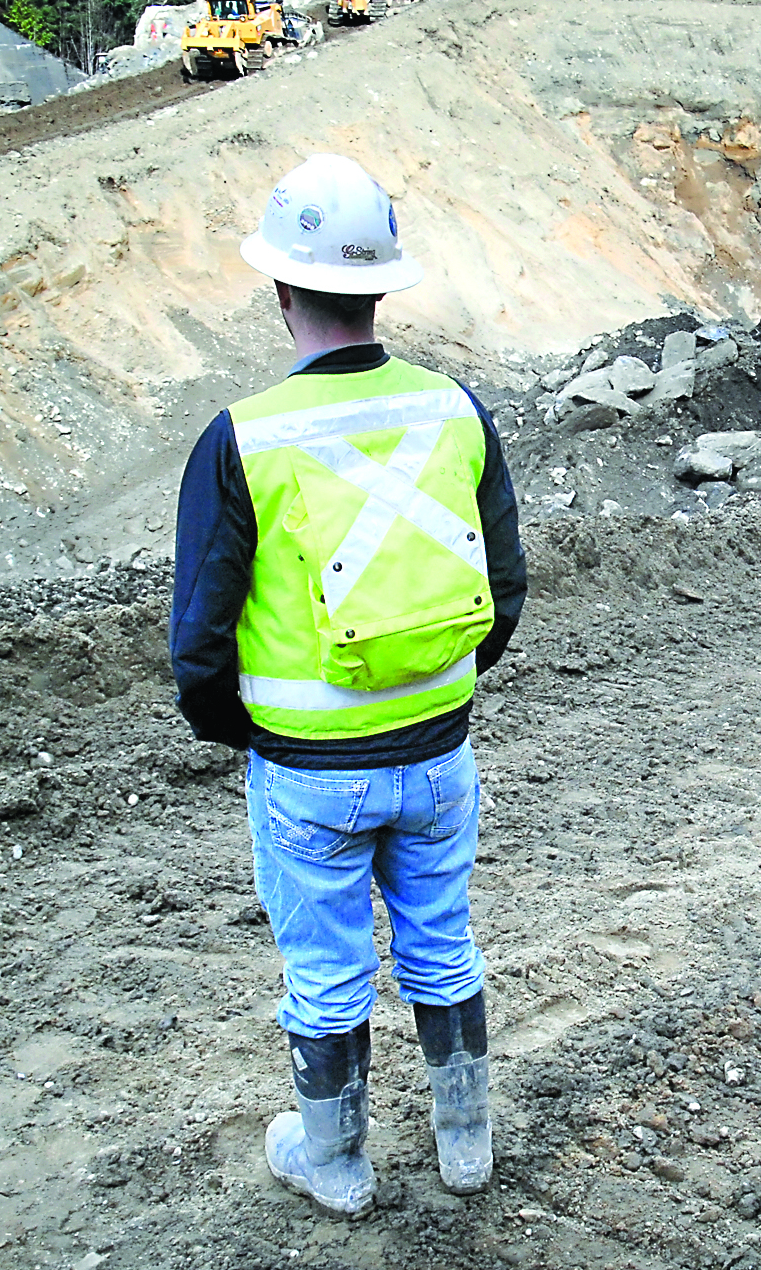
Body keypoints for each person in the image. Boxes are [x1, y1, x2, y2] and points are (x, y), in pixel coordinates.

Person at [169, 154, 526, 1214]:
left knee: (325, 971)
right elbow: (502, 585)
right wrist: (436, 683)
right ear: (381, 288)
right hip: (440, 750)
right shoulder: (454, 409)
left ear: (281, 289)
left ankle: (334, 1164)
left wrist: (245, 729)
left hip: (308, 774)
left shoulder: (242, 437)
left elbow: (199, 638)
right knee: (442, 942)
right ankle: (467, 1146)